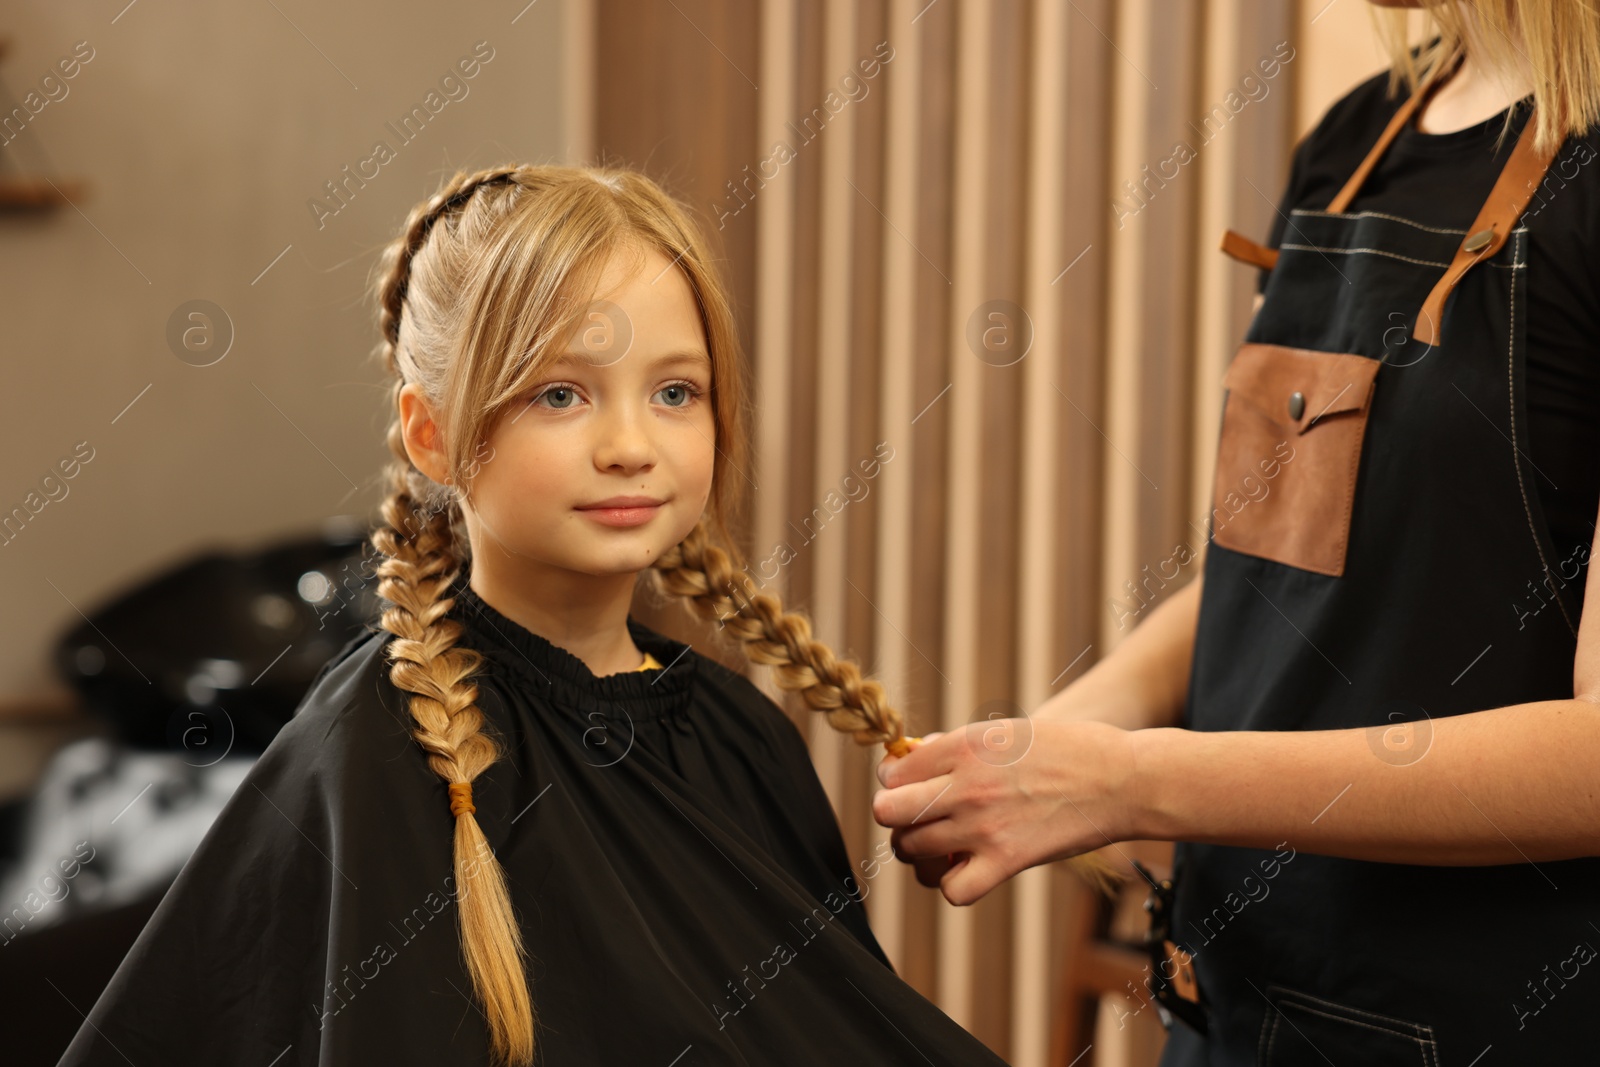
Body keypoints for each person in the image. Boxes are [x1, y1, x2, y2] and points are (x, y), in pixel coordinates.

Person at [55, 165, 1009, 1066]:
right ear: (432, 434)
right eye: (562, 394)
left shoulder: (744, 737)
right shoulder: (377, 756)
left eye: (676, 392)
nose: (632, 444)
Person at [872, 3, 1600, 1064]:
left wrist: (1131, 781)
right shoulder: (1360, 141)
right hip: (1235, 997)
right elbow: (1269, 579)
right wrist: (1060, 737)